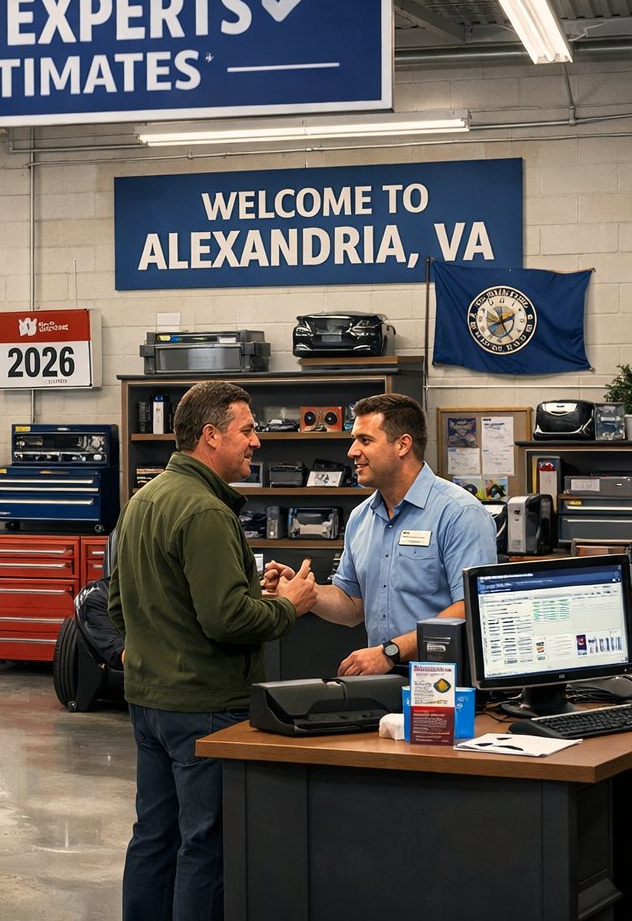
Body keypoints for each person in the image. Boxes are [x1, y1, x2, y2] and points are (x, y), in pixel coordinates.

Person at [108, 380, 318, 921]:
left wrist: (256, 594)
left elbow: (117, 603)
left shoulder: (144, 500)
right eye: (247, 431)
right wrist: (290, 604)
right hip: (202, 707)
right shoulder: (205, 511)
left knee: (153, 836)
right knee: (205, 845)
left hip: (149, 703)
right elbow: (227, 622)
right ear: (210, 436)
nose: (257, 442)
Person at [263, 393, 497, 676]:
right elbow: (352, 606)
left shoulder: (459, 513)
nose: (352, 451)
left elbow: (471, 608)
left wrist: (391, 651)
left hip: (446, 681)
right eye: (354, 439)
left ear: (402, 445)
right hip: (381, 679)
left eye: (365, 440)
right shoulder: (361, 517)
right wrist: (306, 592)